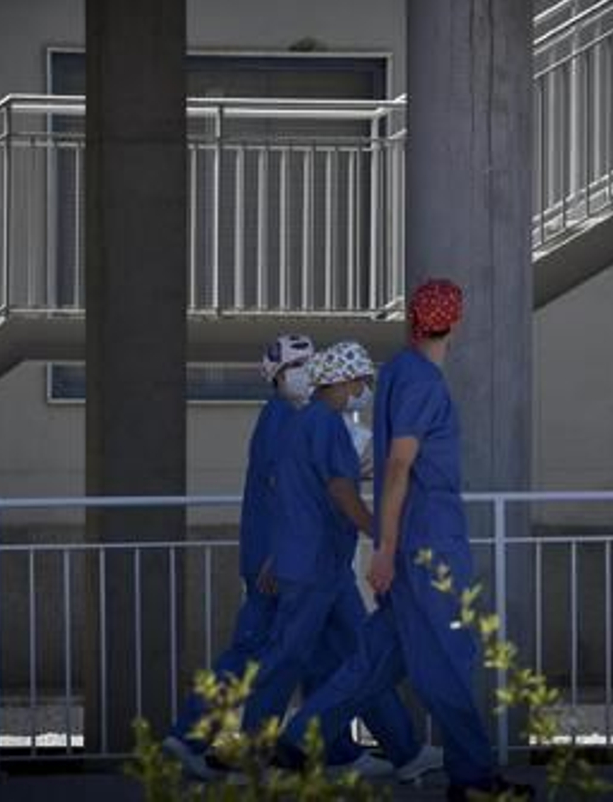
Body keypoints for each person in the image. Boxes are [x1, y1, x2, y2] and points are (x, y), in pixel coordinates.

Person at [276, 281, 534, 800]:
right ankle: (473, 778)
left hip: (414, 543)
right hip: (428, 545)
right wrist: (386, 548)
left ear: (415, 320)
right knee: (451, 657)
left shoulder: (396, 373)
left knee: (377, 660)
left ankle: (299, 740)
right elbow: (398, 466)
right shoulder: (425, 385)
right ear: (454, 323)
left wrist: (389, 546)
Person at [237, 341, 442, 782]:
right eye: (364, 382)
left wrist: (276, 553)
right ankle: (259, 756)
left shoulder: (299, 424)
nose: (365, 390)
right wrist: (381, 533)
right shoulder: (325, 425)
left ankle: (404, 752)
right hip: (315, 569)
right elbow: (339, 491)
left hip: (313, 564)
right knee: (288, 659)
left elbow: (289, 495)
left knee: (357, 659)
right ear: (346, 380)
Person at [161, 334, 314, 780]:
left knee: (272, 651)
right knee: (260, 652)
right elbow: (282, 491)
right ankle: (210, 739)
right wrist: (279, 553)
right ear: (277, 376)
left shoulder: (280, 417)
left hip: (273, 554)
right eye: (298, 365)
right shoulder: (284, 418)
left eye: (310, 362)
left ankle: (210, 739)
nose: (307, 371)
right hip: (277, 560)